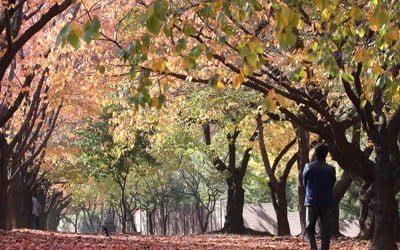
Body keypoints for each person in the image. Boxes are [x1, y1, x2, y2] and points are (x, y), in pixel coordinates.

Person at [302, 143, 336, 250]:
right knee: (326, 230)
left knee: (310, 229)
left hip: (312, 202)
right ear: (326, 154)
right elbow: (332, 183)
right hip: (326, 202)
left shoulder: (308, 167)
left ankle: (313, 248)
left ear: (315, 154)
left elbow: (304, 182)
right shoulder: (331, 169)